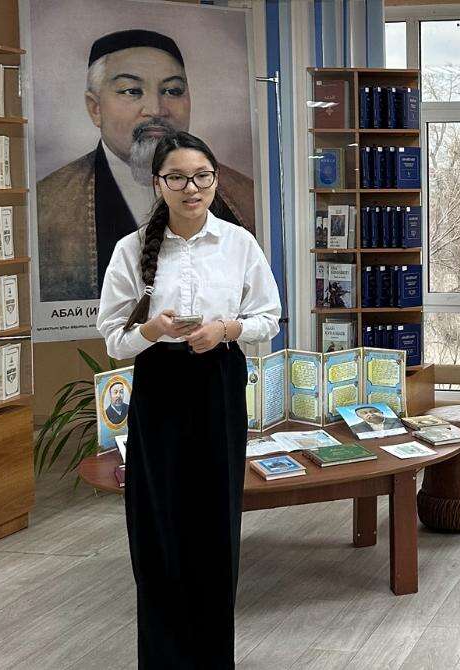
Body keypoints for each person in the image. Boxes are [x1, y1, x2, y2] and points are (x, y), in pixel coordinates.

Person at [96, 131, 280, 669]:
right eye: (176, 177)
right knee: (159, 521)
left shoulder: (239, 243)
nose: (191, 188)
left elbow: (268, 318)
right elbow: (113, 340)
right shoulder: (131, 249)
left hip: (219, 380)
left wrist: (226, 329)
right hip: (160, 386)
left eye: (201, 176)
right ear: (158, 184)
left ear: (215, 179)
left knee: (215, 521)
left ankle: (212, 658)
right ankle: (163, 657)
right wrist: (152, 330)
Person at [40, 29, 255, 302]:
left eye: (172, 91)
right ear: (95, 108)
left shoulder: (243, 196)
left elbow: (262, 311)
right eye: (132, 91)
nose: (155, 109)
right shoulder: (50, 205)